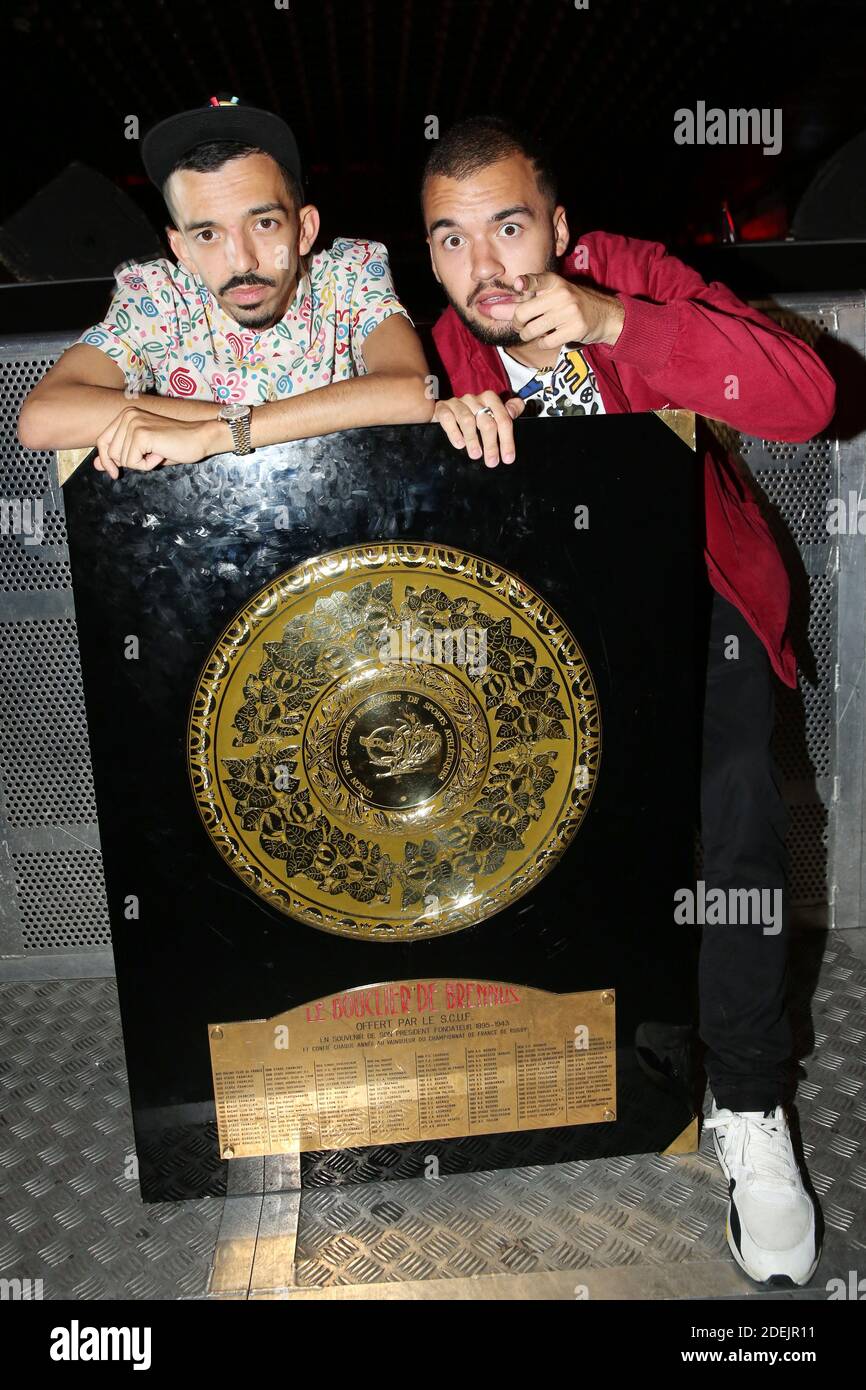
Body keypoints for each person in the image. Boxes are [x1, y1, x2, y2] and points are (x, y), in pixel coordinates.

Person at [423, 115, 837, 1288]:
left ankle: (748, 1106)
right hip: (537, 636)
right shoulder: (432, 344)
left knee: (738, 817)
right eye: (450, 241)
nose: (486, 268)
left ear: (555, 227)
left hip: (695, 603)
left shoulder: (628, 275)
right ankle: (573, 1068)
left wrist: (616, 324)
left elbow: (807, 397)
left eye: (508, 228)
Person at [18, 97, 432, 472]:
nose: (242, 261)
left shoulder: (348, 272)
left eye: (264, 224)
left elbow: (411, 390)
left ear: (304, 230)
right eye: (208, 235)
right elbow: (44, 415)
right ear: (181, 249)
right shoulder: (159, 297)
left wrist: (221, 433)